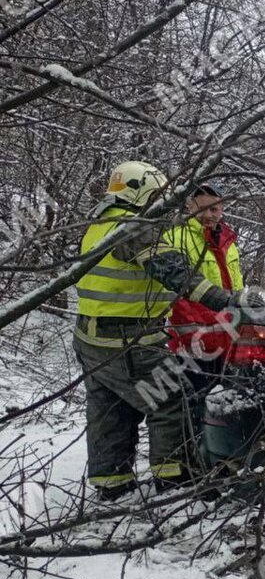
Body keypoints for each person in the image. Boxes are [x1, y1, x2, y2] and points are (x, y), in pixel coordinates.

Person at [73, 162, 255, 500]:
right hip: (129, 338)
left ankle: (112, 486)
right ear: (140, 191)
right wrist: (228, 300)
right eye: (156, 194)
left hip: (90, 338)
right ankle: (174, 482)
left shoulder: (98, 225)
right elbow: (177, 274)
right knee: (171, 398)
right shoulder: (134, 227)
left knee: (111, 410)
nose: (161, 202)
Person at [165, 181, 243, 381]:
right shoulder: (176, 239)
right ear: (190, 206)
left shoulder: (228, 240)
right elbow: (174, 293)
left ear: (222, 209)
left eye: (214, 208)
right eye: (202, 209)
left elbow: (236, 286)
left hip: (228, 339)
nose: (209, 215)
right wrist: (189, 336)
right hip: (193, 345)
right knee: (193, 404)